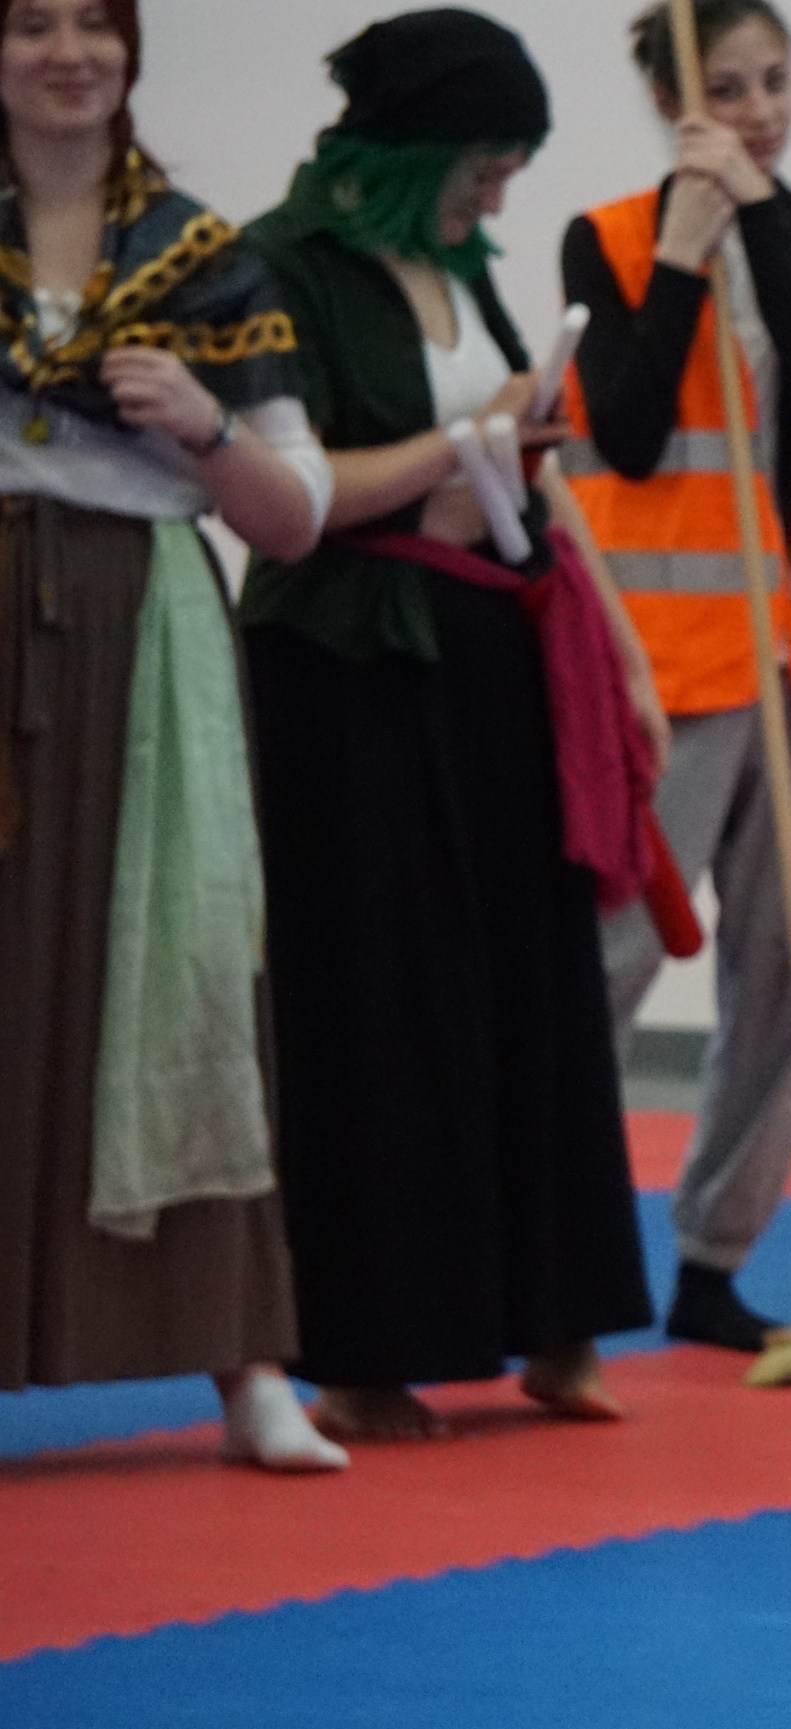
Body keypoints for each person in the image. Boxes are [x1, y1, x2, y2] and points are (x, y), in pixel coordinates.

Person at [239, 6, 659, 1441]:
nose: (501, 192)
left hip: (493, 647)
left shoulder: (464, 268)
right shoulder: (282, 268)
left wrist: (622, 652)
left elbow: (534, 479)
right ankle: (370, 1349)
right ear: (419, 152)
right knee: (379, 998)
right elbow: (289, 491)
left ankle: (555, 1319)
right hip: (348, 664)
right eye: (486, 163)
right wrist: (460, 447)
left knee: (536, 980)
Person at [0, 0, 342, 1472]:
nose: (65, 51)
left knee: (185, 983)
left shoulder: (205, 259)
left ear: (132, 50)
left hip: (142, 632)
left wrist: (204, 424)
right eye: (29, 23)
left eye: (94, 21)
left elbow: (298, 515)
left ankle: (244, 1363)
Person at [567, 0, 791, 1354]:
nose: (761, 108)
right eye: (728, 86)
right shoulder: (606, 238)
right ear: (673, 101)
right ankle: (555, 1245)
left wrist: (759, 212)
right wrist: (681, 251)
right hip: (674, 662)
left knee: (790, 969)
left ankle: (715, 1256)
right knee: (610, 950)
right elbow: (629, 430)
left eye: (776, 81)